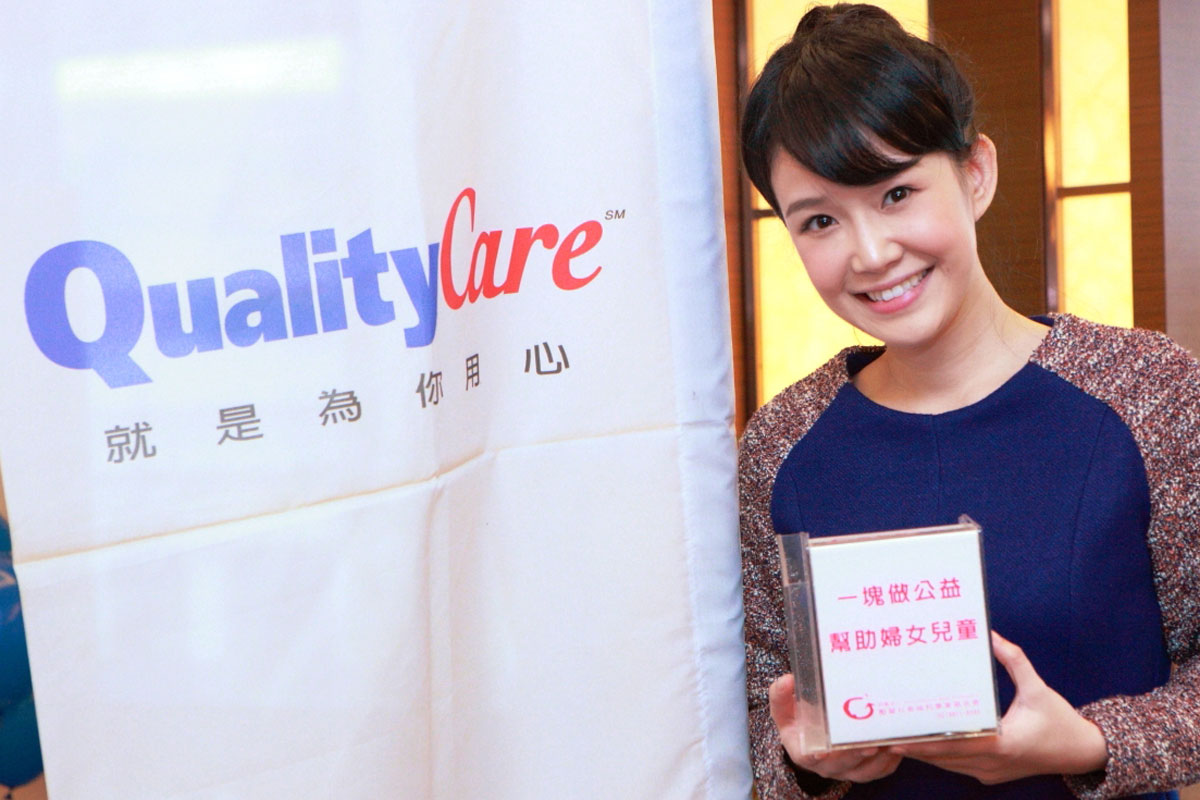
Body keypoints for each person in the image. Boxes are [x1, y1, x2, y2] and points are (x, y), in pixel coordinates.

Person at [737, 4, 1200, 799]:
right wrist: (807, 766)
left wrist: (1091, 743)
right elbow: (759, 714)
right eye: (819, 221)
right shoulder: (783, 443)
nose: (871, 253)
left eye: (896, 193)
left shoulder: (1149, 391)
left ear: (975, 173)